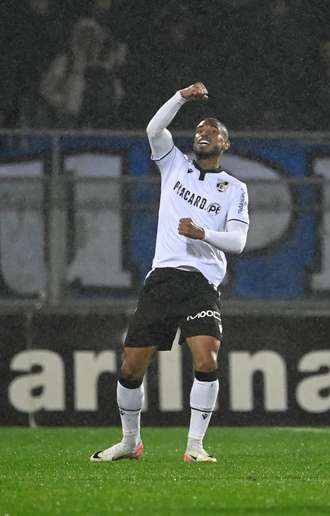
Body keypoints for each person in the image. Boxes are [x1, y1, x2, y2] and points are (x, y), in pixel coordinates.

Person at [91, 82, 249, 463]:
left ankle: (195, 447)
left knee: (207, 358)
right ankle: (130, 443)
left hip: (201, 282)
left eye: (212, 132)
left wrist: (203, 234)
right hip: (162, 277)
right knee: (131, 366)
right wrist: (181, 97)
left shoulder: (234, 188)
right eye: (198, 131)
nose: (203, 134)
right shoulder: (174, 164)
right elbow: (153, 130)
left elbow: (239, 242)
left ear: (225, 144)